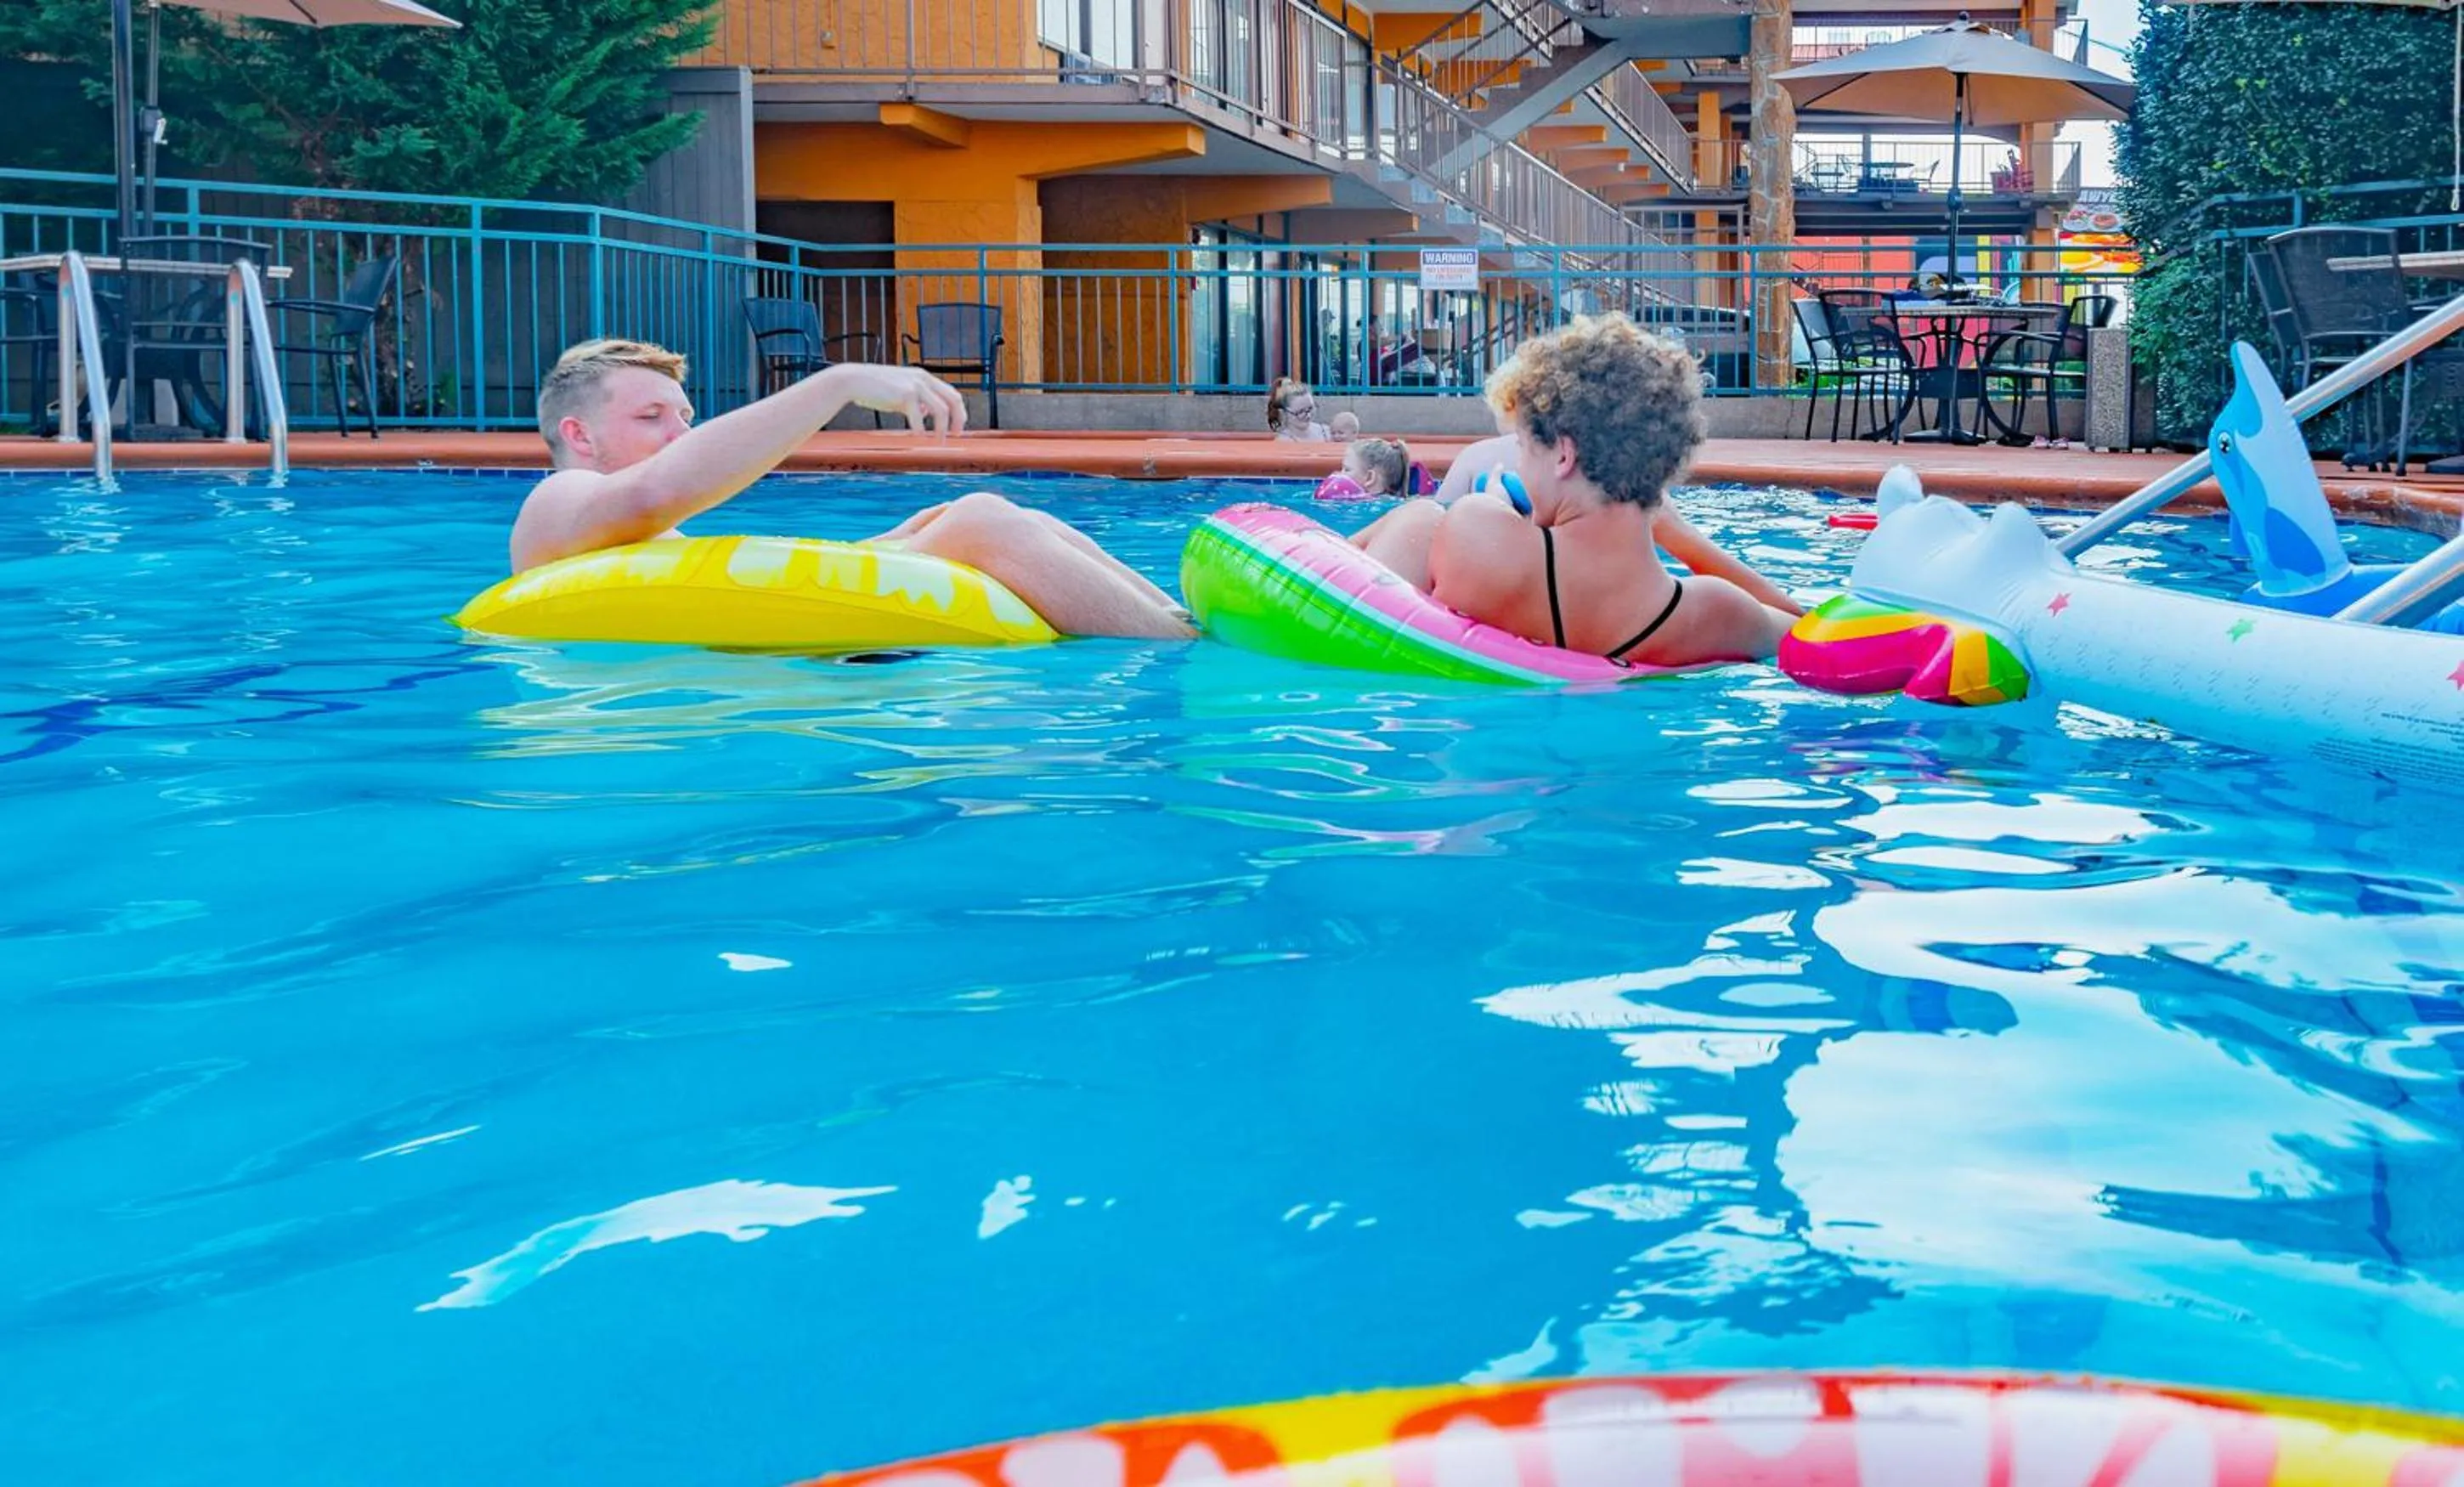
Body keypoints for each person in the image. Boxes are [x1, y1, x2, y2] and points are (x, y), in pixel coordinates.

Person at [507, 339, 1191, 640]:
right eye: (651, 417)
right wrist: (836, 384)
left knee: (966, 515)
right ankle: (1183, 649)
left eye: (685, 416)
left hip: (776, 673)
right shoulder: (557, 501)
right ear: (580, 433)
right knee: (981, 518)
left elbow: (755, 592)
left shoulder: (637, 539)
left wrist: (898, 540)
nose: (680, 432)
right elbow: (653, 494)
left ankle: (1178, 622)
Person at [1347, 314, 1802, 667]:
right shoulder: (1713, 613)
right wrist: (1677, 533)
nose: (1520, 466)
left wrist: (1502, 511)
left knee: (1418, 517)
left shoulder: (1477, 532)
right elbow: (1809, 631)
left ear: (1563, 456)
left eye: (1525, 447)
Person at [1267, 377, 1334, 442]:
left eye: (1310, 408)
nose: (1308, 415)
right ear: (1284, 413)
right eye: (1300, 412)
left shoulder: (1328, 432)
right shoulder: (1283, 441)